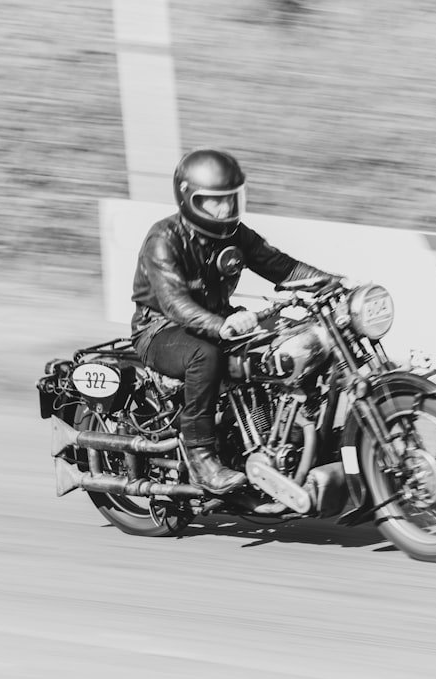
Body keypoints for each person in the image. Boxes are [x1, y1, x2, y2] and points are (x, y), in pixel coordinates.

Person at [130, 148, 338, 495]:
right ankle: (201, 457)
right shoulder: (163, 239)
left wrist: (334, 284)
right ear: (189, 199)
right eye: (215, 202)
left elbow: (284, 268)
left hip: (214, 318)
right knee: (205, 355)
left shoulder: (235, 235)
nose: (226, 209)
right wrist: (220, 325)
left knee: (284, 340)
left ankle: (284, 432)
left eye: (230, 199)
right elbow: (175, 303)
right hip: (160, 329)